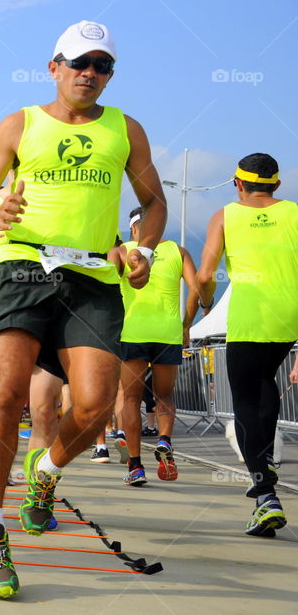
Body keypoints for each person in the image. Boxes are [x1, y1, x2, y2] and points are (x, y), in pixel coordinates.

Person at [0, 20, 166, 598]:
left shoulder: (126, 129)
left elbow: (153, 202)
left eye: (102, 65)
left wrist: (145, 250)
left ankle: (46, 471)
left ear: (110, 75)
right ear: (54, 67)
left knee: (97, 404)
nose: (89, 73)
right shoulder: (20, 123)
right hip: (23, 264)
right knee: (6, 392)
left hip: (93, 275)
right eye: (79, 62)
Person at [198, 153, 297, 537]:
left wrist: (205, 301)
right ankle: (266, 461)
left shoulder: (224, 216)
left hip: (249, 318)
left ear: (237, 183)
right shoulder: (294, 213)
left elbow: (205, 275)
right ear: (277, 184)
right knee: (264, 382)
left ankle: (265, 492)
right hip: (287, 318)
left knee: (244, 400)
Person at [111, 207, 201, 486]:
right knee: (164, 396)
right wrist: (186, 325)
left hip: (133, 332)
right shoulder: (179, 251)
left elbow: (104, 287)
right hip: (168, 333)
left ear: (133, 228)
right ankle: (164, 440)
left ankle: (136, 467)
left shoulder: (122, 251)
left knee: (130, 399)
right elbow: (197, 289)